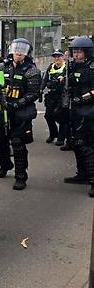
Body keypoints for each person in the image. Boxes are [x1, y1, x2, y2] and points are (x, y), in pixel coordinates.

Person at [0, 38, 41, 191]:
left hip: (20, 112)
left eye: (22, 51)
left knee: (17, 144)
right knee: (0, 141)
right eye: (16, 50)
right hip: (2, 110)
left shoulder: (31, 70)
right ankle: (5, 166)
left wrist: (16, 104)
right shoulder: (1, 67)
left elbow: (33, 93)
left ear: (26, 53)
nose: (18, 53)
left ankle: (20, 176)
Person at [63, 37, 94, 197]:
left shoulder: (92, 68)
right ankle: (82, 174)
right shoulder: (72, 66)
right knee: (75, 143)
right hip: (75, 110)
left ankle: (92, 178)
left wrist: (84, 98)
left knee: (86, 145)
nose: (76, 54)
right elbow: (69, 87)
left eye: (79, 51)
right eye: (74, 51)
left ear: (87, 52)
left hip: (89, 110)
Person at [42, 49, 68, 146]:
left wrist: (62, 80)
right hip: (51, 95)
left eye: (59, 56)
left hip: (62, 95)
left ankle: (61, 138)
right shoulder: (51, 67)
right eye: (55, 56)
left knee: (61, 116)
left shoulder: (66, 67)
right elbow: (45, 79)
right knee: (48, 116)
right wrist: (40, 90)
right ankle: (53, 134)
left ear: (63, 57)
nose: (57, 58)